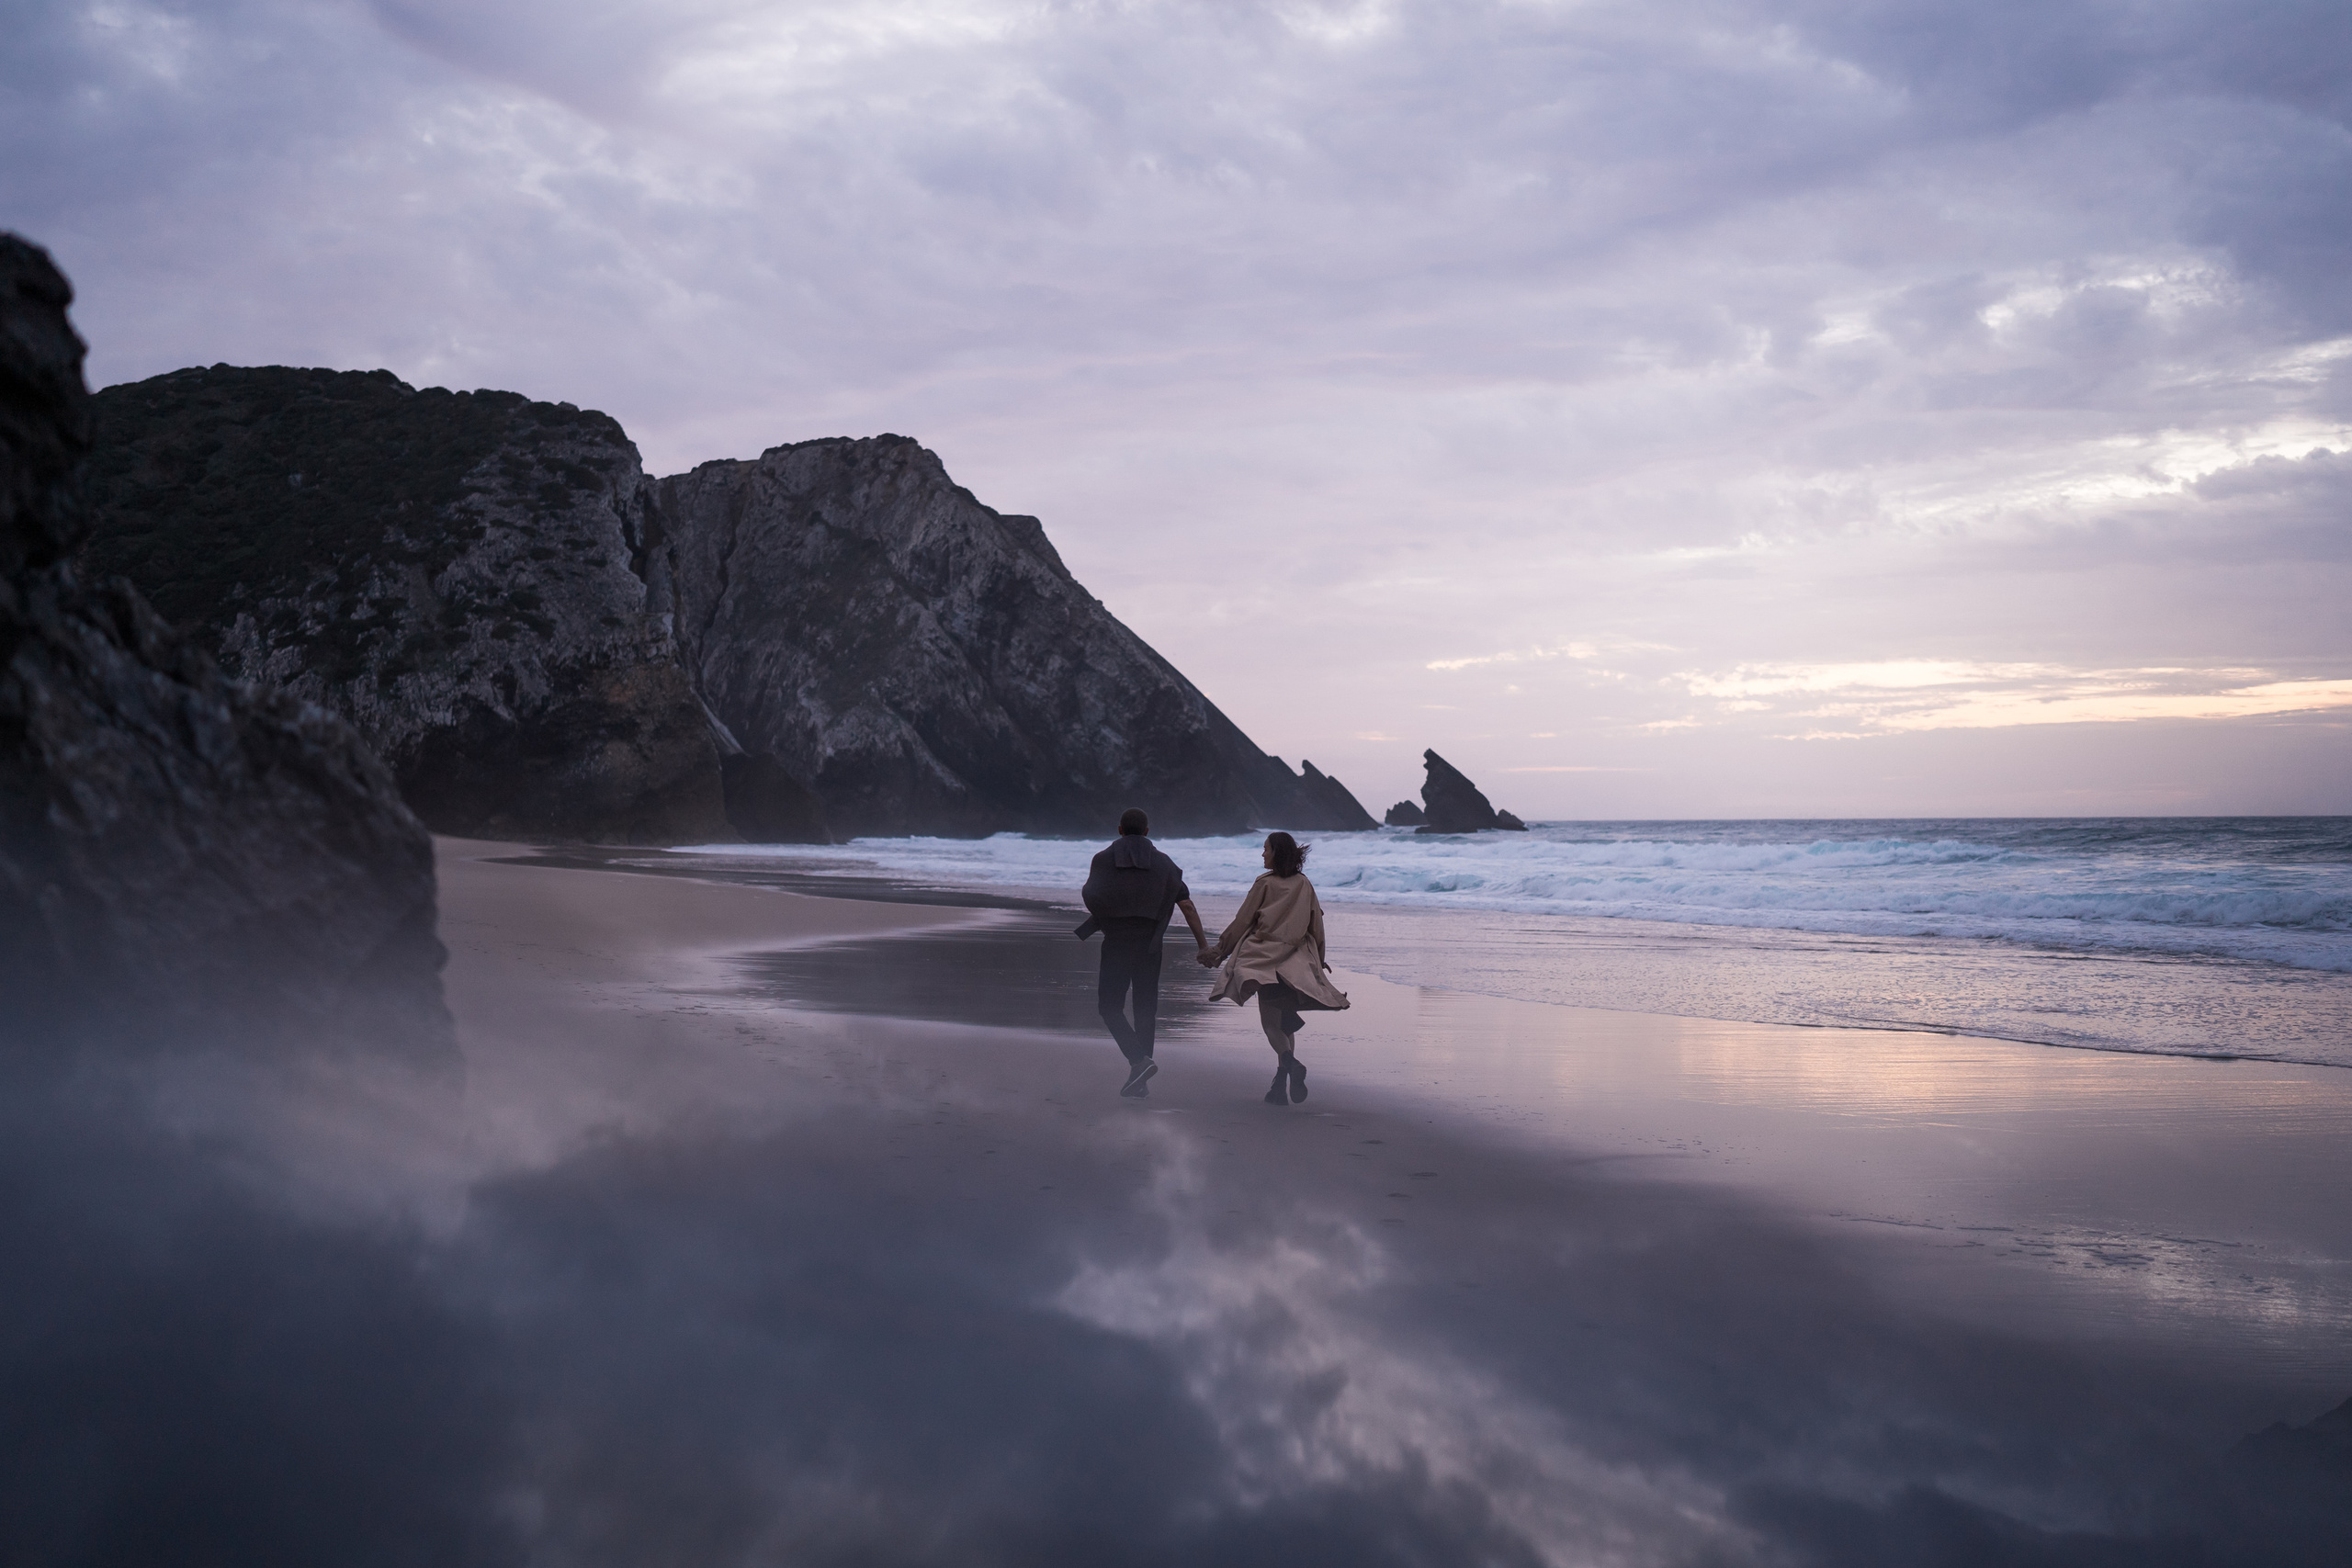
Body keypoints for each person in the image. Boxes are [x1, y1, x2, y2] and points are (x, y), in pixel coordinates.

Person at [1202, 831, 1350, 1105]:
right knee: (1286, 1022)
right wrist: (1318, 959)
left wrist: (1219, 951)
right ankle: (1279, 1086)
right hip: (1296, 962)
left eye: (1266, 849)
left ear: (1276, 852)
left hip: (1263, 959)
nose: (1262, 854)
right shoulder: (1305, 885)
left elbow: (1242, 921)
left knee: (1271, 1023)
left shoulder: (1264, 884)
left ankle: (1290, 1064)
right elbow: (1317, 925)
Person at [1076, 808, 1209, 1098]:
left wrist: (1108, 915)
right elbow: (1187, 906)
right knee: (1145, 1010)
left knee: (1109, 1007)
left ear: (1120, 829)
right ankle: (1141, 1078)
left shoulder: (1102, 859)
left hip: (1117, 942)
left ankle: (1139, 1062)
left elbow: (1090, 894)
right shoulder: (1165, 865)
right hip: (1150, 945)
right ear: (1147, 832)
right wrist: (1203, 946)